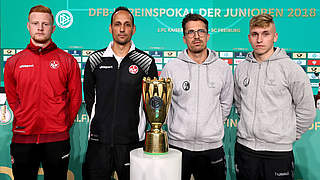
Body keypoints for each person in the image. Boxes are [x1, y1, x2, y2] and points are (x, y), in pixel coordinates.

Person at [4, 5, 82, 180]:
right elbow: (11, 96)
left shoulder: (67, 61)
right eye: (36, 23)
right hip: (23, 138)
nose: (40, 28)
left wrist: (60, 123)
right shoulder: (13, 62)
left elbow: (76, 98)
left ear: (53, 28)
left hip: (57, 139)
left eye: (45, 24)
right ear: (28, 26)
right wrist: (24, 117)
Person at [233, 13, 316, 180]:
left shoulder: (291, 69)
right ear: (249, 38)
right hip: (245, 150)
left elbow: (307, 110)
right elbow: (239, 103)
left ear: (275, 37)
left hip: (278, 153)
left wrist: (287, 134)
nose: (259, 40)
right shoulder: (241, 68)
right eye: (255, 34)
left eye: (265, 34)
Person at [82, 6, 158, 180]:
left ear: (134, 29)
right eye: (117, 24)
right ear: (110, 28)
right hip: (98, 141)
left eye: (127, 24)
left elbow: (152, 103)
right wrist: (100, 122)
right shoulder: (95, 60)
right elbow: (89, 98)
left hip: (132, 142)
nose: (122, 29)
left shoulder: (146, 62)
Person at [160, 13, 234, 180]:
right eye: (190, 32)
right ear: (184, 38)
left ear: (207, 35)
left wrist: (210, 128)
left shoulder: (223, 68)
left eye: (201, 31)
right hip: (177, 147)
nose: (196, 36)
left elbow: (226, 104)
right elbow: (165, 106)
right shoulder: (171, 68)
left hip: (212, 147)